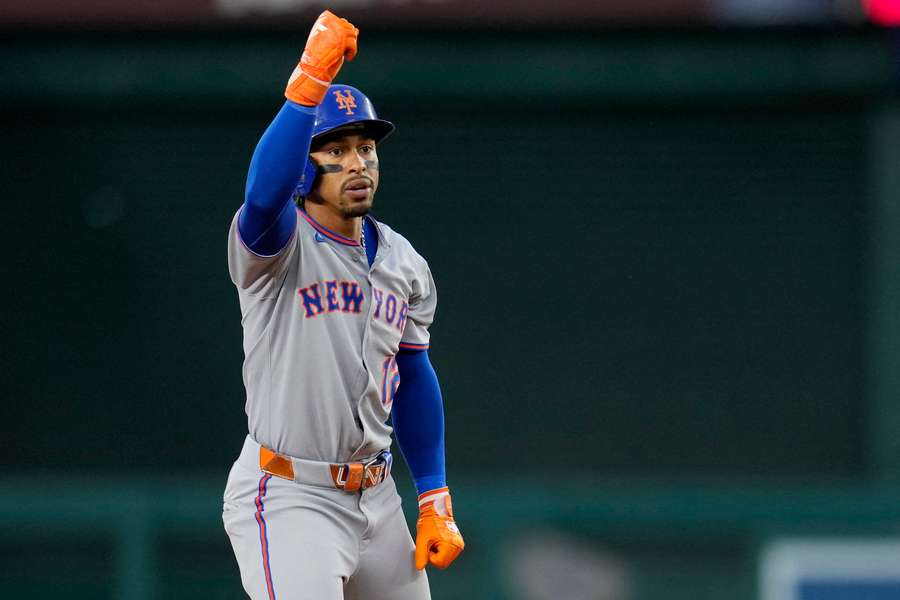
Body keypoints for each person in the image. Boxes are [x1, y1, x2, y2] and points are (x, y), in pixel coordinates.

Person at [221, 10, 464, 600]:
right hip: (290, 494)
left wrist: (432, 492)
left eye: (365, 148)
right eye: (335, 150)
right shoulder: (276, 246)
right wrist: (308, 82)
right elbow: (261, 194)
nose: (357, 162)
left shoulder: (404, 262)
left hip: (376, 497)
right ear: (305, 165)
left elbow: (412, 373)